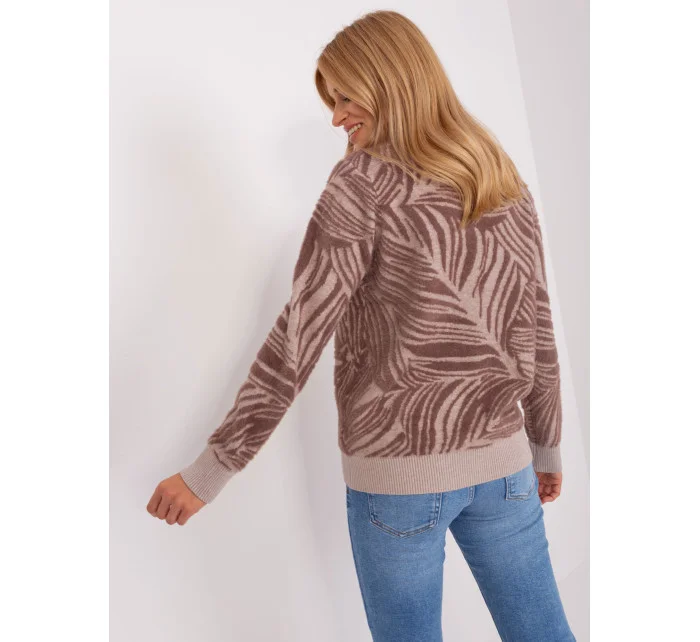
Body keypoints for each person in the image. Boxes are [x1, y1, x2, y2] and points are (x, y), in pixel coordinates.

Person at [146, 9, 576, 642]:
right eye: (332, 101)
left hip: (400, 481)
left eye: (347, 97)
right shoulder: (497, 172)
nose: (337, 117)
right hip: (506, 473)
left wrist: (209, 471)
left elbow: (299, 336)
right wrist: (546, 444)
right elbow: (536, 320)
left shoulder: (361, 182)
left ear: (390, 82)